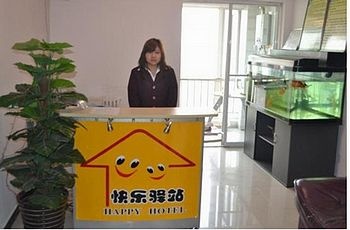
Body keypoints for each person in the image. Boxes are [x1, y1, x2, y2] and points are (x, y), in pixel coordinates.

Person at [128, 38, 178, 107]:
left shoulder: (169, 72)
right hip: (142, 116)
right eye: (150, 52)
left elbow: (172, 99)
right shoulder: (136, 73)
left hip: (164, 116)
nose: (153, 56)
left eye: (157, 52)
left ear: (161, 55)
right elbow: (133, 100)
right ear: (144, 54)